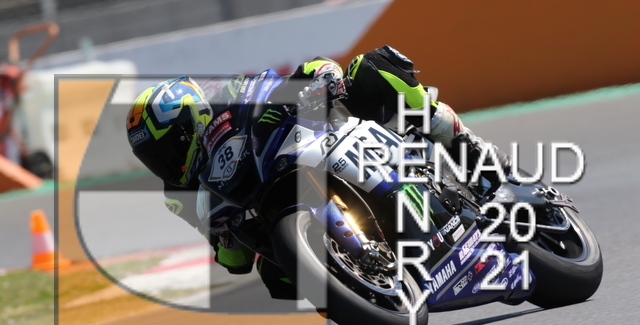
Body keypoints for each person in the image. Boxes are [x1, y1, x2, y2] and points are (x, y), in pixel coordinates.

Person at [125, 45, 510, 299]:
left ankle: (471, 150)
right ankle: (363, 282)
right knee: (277, 278)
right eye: (155, 158)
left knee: (371, 68)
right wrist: (224, 236)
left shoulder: (233, 98)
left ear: (192, 121)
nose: (167, 164)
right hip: (275, 205)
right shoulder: (184, 194)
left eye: (169, 149)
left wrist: (320, 79)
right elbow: (235, 262)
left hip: (319, 140)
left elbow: (304, 72)